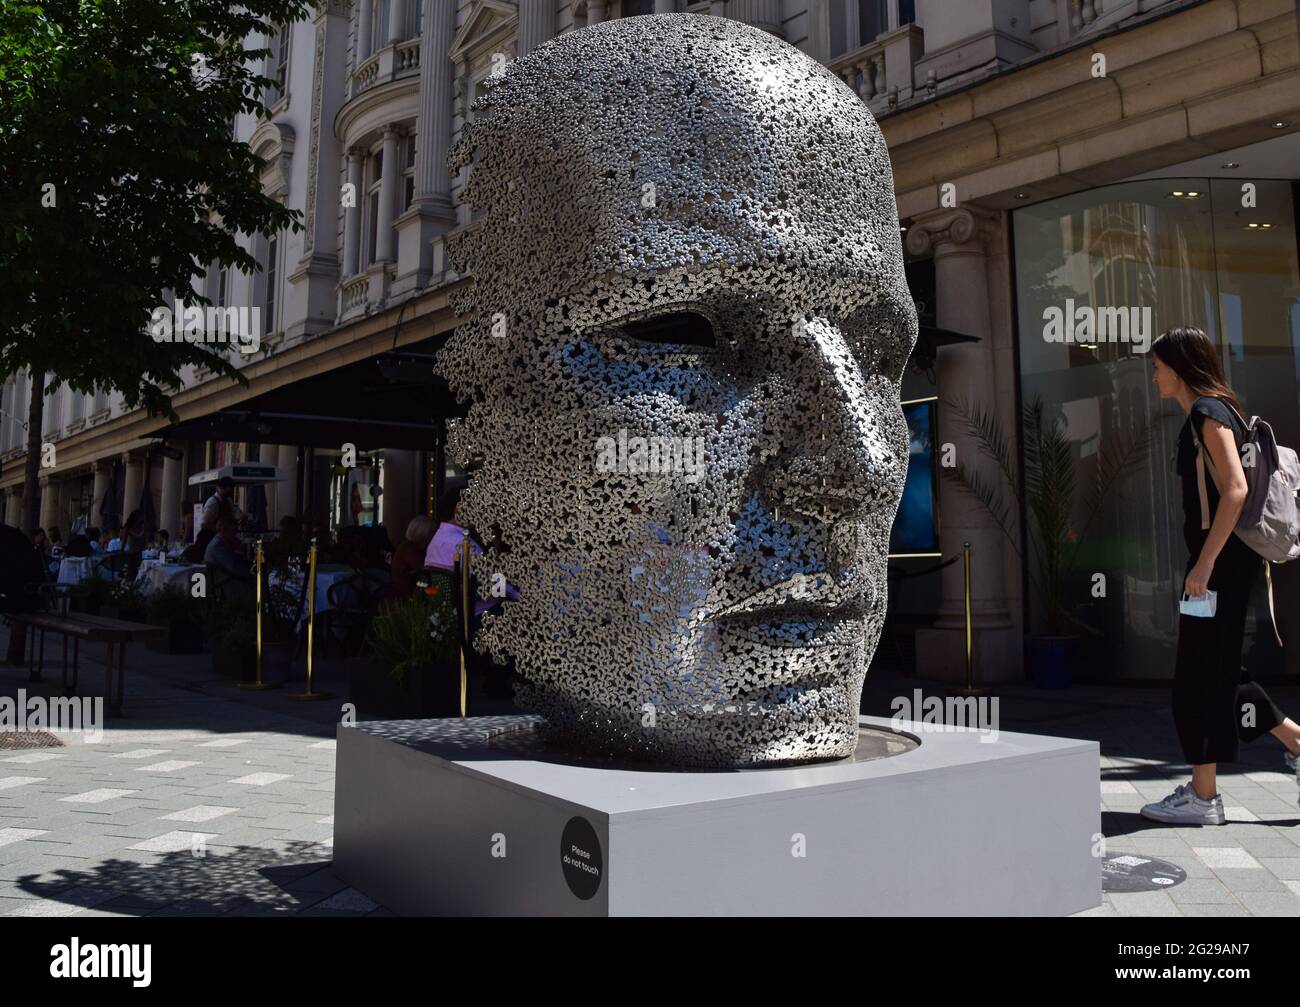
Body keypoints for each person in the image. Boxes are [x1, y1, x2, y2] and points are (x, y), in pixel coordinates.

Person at [1141, 326, 1300, 825]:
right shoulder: (1212, 410)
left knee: (1197, 676)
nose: (1154, 375)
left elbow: (1234, 489)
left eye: (1159, 366)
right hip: (1224, 563)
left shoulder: (1209, 412)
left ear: (1180, 368)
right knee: (1219, 672)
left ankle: (1204, 799)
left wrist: (1205, 565)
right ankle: (1289, 746)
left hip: (1219, 566)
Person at [387, 516, 436, 599]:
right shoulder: (408, 549)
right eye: (432, 533)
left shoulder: (416, 548)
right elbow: (423, 569)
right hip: (406, 594)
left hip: (414, 589)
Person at [204, 514, 252, 582]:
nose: (235, 535)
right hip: (224, 584)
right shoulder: (218, 546)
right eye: (233, 531)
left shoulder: (220, 543)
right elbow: (234, 567)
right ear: (224, 530)